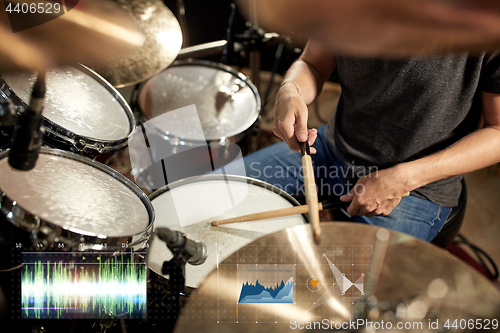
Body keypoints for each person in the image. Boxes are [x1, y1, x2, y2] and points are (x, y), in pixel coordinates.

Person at [239, 40, 500, 242]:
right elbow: (313, 63)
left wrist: (404, 178)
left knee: (341, 298)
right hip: (330, 149)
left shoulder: (486, 21)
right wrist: (290, 88)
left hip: (414, 188)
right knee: (213, 202)